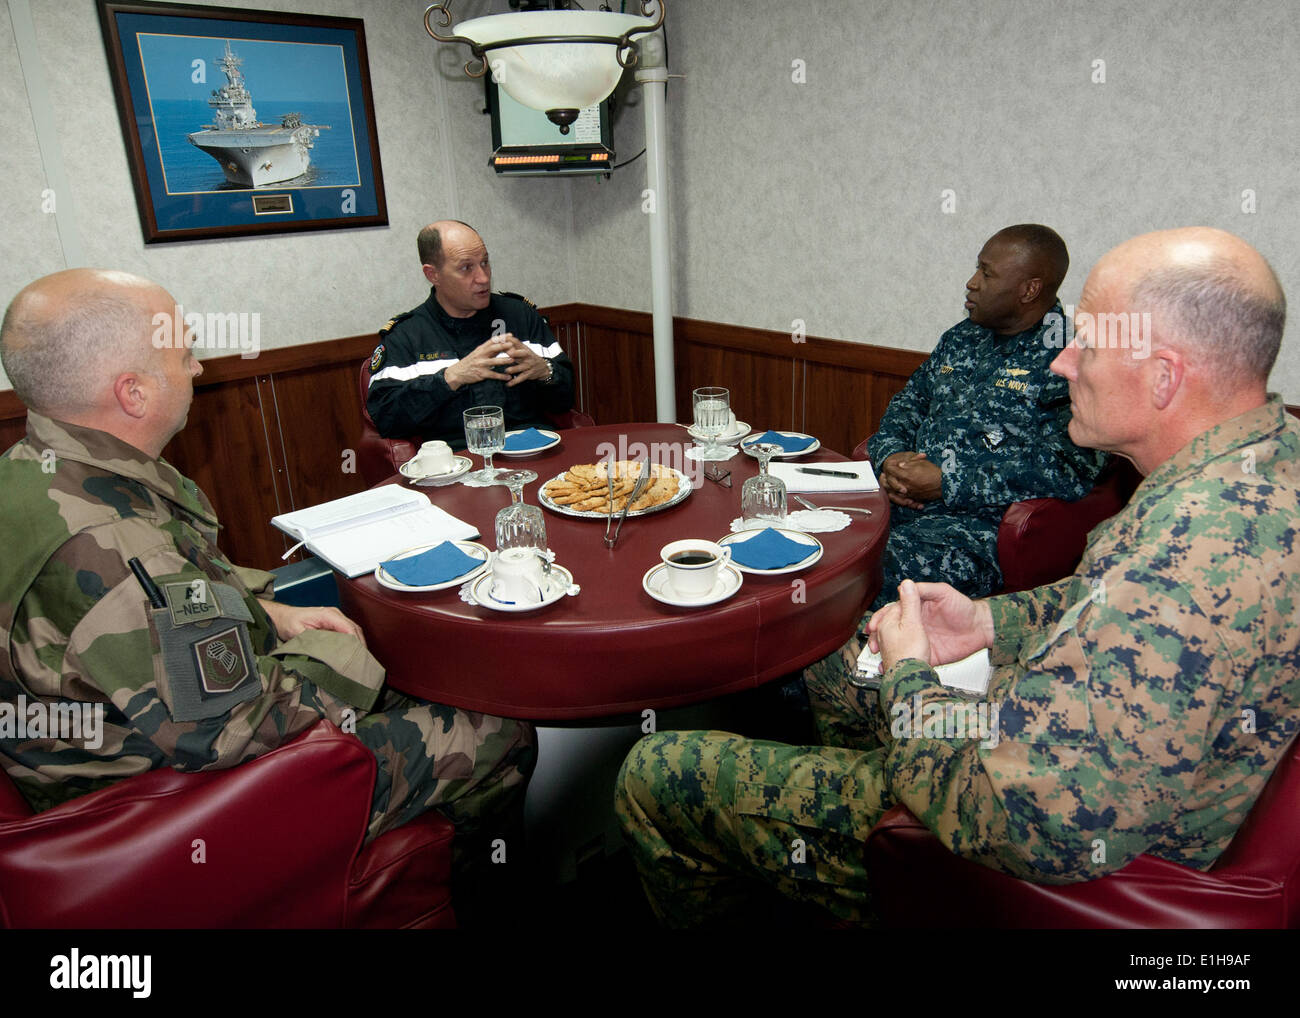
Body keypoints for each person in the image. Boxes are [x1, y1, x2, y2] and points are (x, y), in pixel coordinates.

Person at [615, 227, 1299, 927]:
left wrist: (912, 675)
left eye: (1088, 343)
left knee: (653, 773)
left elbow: (1025, 821)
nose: (1064, 362)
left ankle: (875, 852)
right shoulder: (1261, 467)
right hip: (1052, 740)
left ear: (1164, 376)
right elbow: (1098, 602)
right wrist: (985, 621)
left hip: (1017, 840)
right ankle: (821, 853)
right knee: (836, 668)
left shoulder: (1185, 560)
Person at [0, 269, 535, 856]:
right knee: (499, 731)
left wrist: (266, 610)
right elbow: (233, 728)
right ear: (134, 393)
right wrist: (356, 661)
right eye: (184, 354)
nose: (198, 369)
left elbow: (141, 621)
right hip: (170, 808)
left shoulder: (33, 473)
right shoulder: (120, 543)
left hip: (106, 751)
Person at [867, 224, 1105, 606]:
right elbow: (908, 404)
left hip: (977, 529)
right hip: (896, 505)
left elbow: (1070, 466)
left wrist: (950, 481)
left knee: (865, 574)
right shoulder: (961, 337)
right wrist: (891, 458)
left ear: (1029, 289)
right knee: (818, 547)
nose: (971, 283)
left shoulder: (1071, 354)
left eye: (986, 273)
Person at [366, 220, 575, 447]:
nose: (483, 278)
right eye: (466, 268)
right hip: (458, 461)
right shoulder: (407, 336)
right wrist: (450, 378)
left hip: (532, 449)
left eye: (484, 263)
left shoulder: (520, 316)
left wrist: (546, 372)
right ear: (432, 274)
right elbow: (387, 419)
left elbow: (565, 399)